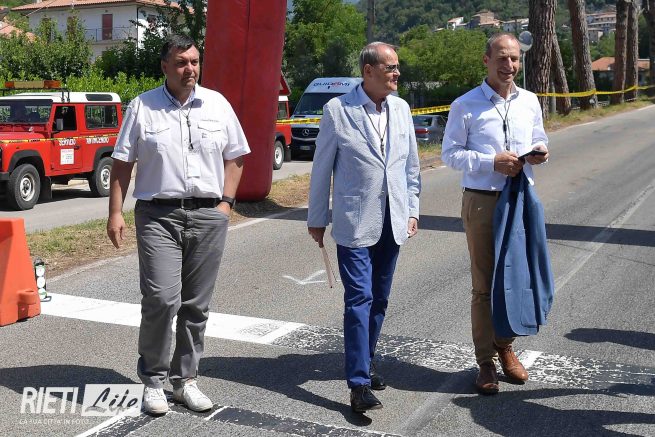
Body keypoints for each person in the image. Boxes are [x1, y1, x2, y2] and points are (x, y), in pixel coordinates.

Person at [106, 34, 250, 415]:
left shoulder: (217, 105)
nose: (190, 69)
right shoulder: (143, 107)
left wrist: (225, 204)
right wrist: (115, 212)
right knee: (161, 299)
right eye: (182, 62)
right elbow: (122, 164)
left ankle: (185, 380)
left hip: (208, 216)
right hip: (158, 216)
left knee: (196, 305)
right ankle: (153, 380)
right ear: (165, 66)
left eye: (195, 61)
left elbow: (236, 156)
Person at [307, 42, 421, 413]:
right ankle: (358, 385)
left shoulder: (401, 108)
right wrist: (317, 218)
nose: (397, 73)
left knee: (380, 298)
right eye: (390, 68)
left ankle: (367, 362)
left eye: (397, 67)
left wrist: (413, 209)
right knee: (359, 298)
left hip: (393, 220)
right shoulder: (338, 110)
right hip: (355, 222)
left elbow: (410, 167)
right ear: (368, 71)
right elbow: (322, 168)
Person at [441, 33, 549, 395]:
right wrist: (491, 161)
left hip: (521, 198)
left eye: (515, 59)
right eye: (502, 58)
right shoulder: (465, 105)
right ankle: (485, 361)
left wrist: (540, 151)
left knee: (517, 275)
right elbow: (450, 154)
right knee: (484, 285)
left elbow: (540, 137)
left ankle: (506, 347)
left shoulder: (530, 101)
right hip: (483, 200)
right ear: (486, 60)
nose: (510, 65)